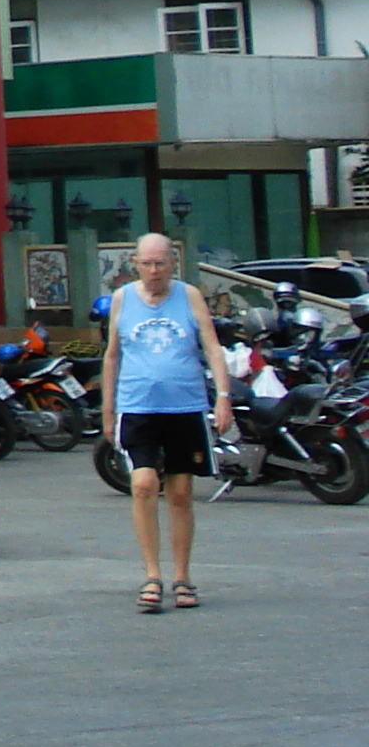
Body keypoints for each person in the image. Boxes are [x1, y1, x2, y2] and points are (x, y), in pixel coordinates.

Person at [97, 230, 236, 612]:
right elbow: (112, 355)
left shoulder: (188, 295)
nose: (154, 271)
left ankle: (182, 576)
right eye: (147, 264)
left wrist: (223, 398)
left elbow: (211, 347)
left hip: (185, 407)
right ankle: (152, 574)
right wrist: (107, 409)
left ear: (173, 263)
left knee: (179, 492)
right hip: (137, 406)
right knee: (143, 484)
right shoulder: (122, 299)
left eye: (161, 263)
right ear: (135, 264)